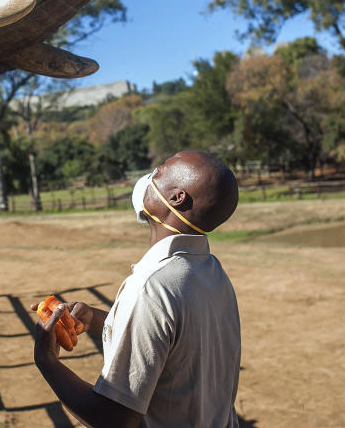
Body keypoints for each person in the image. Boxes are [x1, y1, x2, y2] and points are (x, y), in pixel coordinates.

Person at [32, 150, 242, 428]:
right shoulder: (212, 273)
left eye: (161, 170)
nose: (150, 176)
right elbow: (172, 346)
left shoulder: (153, 287)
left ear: (177, 198)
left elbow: (116, 418)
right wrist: (96, 319)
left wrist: (47, 362)